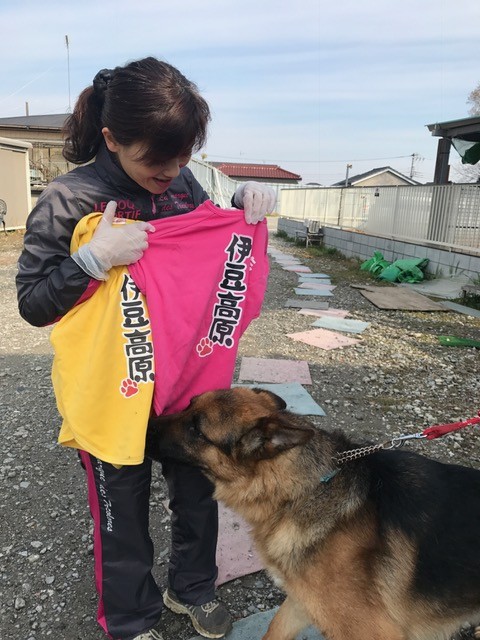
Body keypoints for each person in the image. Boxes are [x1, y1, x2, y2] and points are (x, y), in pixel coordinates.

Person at [16, 56, 275, 640]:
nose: (172, 171)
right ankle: (131, 620)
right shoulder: (68, 197)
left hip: (187, 378)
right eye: (156, 159)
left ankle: (193, 588)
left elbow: (209, 238)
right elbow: (32, 302)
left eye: (183, 156)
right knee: (122, 511)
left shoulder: (182, 183)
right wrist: (90, 261)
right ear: (111, 138)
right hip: (112, 385)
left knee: (200, 489)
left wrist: (240, 209)